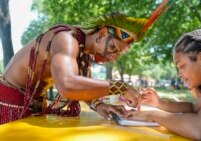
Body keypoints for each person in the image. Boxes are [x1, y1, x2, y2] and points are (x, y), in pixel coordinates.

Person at [0, 0, 172, 124]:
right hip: (10, 102)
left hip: (30, 104)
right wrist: (121, 87)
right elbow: (68, 85)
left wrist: (100, 105)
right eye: (113, 47)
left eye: (119, 53)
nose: (114, 56)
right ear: (102, 33)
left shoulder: (83, 52)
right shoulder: (67, 40)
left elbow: (83, 88)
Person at [127, 29, 201, 140]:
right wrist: (159, 103)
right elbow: (193, 108)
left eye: (181, 66)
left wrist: (152, 115)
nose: (179, 74)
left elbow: (200, 129)